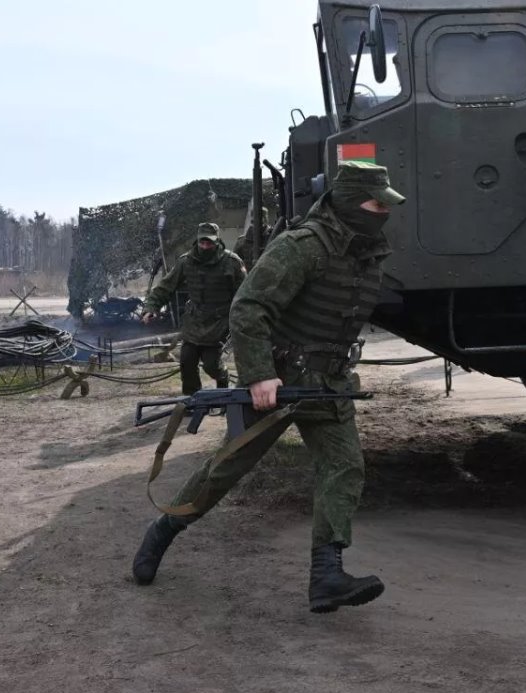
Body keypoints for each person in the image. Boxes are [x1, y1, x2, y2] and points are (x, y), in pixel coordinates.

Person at [132, 161, 405, 613]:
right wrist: (259, 374)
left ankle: (326, 575)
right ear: (352, 202)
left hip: (328, 383)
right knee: (227, 468)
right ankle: (163, 529)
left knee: (344, 467)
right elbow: (249, 307)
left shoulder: (365, 251)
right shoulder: (303, 246)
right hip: (278, 379)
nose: (383, 213)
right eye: (376, 204)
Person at [142, 222, 246, 395]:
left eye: (209, 242)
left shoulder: (232, 262)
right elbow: (165, 287)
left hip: (219, 322)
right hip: (194, 320)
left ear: (217, 241)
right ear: (197, 241)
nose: (205, 246)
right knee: (187, 361)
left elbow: (245, 293)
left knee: (211, 364)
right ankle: (192, 399)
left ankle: (223, 380)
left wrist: (241, 319)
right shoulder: (186, 261)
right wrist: (151, 307)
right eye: (202, 242)